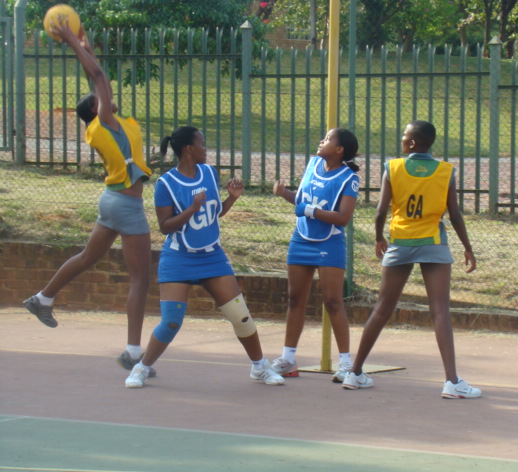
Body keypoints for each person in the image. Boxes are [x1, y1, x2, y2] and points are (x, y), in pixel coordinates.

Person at [23, 19, 153, 374]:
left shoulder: (105, 124)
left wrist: (87, 46)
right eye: (101, 98)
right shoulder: (106, 121)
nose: (106, 95)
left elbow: (96, 75)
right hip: (126, 204)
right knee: (140, 279)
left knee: (86, 258)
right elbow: (97, 77)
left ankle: (42, 298)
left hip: (112, 199)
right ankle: (131, 352)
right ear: (97, 109)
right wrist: (71, 43)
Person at [124, 126, 284, 388]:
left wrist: (231, 200)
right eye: (202, 144)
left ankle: (260, 367)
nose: (206, 149)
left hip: (212, 257)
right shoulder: (166, 184)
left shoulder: (209, 173)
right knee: (171, 321)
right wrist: (191, 208)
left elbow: (212, 214)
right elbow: (166, 226)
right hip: (179, 258)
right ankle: (142, 368)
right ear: (189, 149)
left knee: (239, 314)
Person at [342, 120, 482, 399]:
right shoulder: (445, 171)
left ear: (414, 143)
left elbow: (381, 211)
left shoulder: (393, 168)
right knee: (440, 310)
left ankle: (355, 373)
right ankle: (452, 382)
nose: (402, 139)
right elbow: (454, 215)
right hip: (433, 242)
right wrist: (467, 247)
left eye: (405, 136)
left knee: (382, 308)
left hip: (401, 241)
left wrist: (379, 237)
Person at [271, 128, 360, 383]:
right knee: (294, 299)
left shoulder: (348, 178)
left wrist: (309, 210)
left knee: (333, 301)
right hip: (302, 238)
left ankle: (345, 364)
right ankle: (288, 359)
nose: (322, 141)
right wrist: (284, 194)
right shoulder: (313, 164)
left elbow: (343, 217)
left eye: (328, 139)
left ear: (340, 150)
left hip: (329, 242)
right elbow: (301, 202)